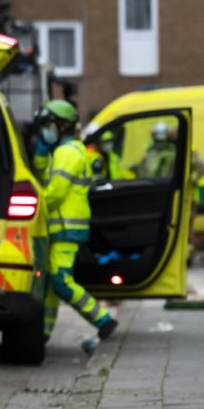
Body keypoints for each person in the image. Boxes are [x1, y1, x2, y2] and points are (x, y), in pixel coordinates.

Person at [33, 100, 118, 345]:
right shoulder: (64, 151)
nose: (45, 131)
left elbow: (54, 192)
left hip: (66, 228)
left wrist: (33, 210)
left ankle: (103, 319)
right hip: (63, 228)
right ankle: (43, 332)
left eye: (48, 126)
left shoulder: (67, 153)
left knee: (60, 281)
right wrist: (40, 156)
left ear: (62, 126)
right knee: (50, 282)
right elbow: (45, 177)